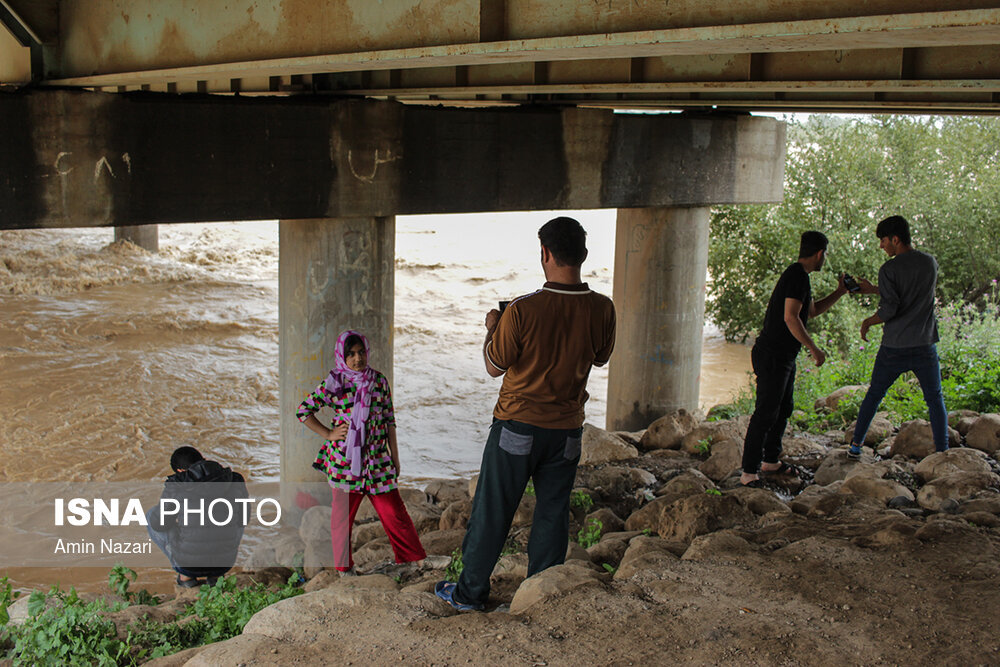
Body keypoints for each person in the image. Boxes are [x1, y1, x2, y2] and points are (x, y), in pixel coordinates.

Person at [435, 216, 616, 611]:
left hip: (517, 427)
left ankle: (469, 595)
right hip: (567, 431)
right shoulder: (603, 308)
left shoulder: (520, 310)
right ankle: (541, 596)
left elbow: (493, 365)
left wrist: (492, 327)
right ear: (583, 255)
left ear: (545, 253)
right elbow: (601, 358)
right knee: (552, 513)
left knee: (493, 511)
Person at [296, 329, 426, 575]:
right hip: (345, 464)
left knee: (394, 512)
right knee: (342, 520)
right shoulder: (336, 382)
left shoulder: (378, 381)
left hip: (377, 461)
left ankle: (416, 560)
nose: (357, 359)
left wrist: (395, 457)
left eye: (361, 352)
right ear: (342, 357)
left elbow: (389, 420)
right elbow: (303, 411)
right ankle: (345, 570)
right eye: (351, 354)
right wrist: (329, 434)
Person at [740, 231, 848, 487]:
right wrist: (813, 348)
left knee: (783, 408)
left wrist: (840, 292)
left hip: (783, 355)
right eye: (825, 255)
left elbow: (811, 311)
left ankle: (770, 460)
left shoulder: (800, 277)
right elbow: (791, 317)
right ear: (820, 253)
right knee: (765, 413)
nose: (825, 259)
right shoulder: (797, 275)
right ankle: (748, 473)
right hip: (773, 355)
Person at [848, 215, 948, 459]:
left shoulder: (889, 269)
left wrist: (868, 321)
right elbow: (912, 291)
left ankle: (855, 447)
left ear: (895, 239)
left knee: (874, 395)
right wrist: (874, 288)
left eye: (883, 240)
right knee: (935, 399)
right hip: (925, 344)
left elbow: (891, 308)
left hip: (894, 348)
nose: (881, 245)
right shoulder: (930, 263)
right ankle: (944, 452)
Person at [146, 446, 248, 587]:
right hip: (225, 563)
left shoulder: (177, 485)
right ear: (202, 460)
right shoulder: (235, 479)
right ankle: (216, 578)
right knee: (235, 520)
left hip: (189, 565)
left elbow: (159, 524)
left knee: (152, 515)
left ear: (181, 471)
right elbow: (244, 519)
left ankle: (186, 578)